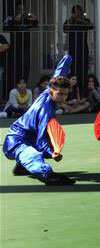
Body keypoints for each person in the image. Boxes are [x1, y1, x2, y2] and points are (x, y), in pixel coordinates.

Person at [3, 55, 75, 185]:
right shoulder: (45, 110)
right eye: (60, 94)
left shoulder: (48, 90)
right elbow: (41, 140)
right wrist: (52, 153)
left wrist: (67, 59)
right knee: (33, 154)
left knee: (48, 143)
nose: (63, 97)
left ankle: (21, 167)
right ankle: (46, 174)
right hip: (15, 142)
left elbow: (59, 73)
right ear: (52, 92)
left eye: (65, 94)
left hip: (28, 136)